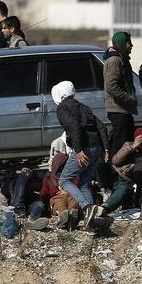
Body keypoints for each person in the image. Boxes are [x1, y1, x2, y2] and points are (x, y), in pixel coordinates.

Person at [52, 80, 110, 231]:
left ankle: (87, 207)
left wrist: (78, 150)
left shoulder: (62, 108)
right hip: (96, 148)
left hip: (85, 149)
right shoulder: (83, 106)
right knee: (84, 182)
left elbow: (74, 126)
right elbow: (102, 126)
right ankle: (91, 220)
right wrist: (105, 149)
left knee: (64, 180)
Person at [103, 31, 138, 157]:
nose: (131, 45)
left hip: (124, 109)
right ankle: (114, 170)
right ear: (122, 43)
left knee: (127, 140)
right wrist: (128, 98)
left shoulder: (122, 59)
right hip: (118, 109)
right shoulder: (114, 61)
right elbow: (111, 86)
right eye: (129, 42)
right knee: (120, 142)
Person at [102, 128, 142, 214]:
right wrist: (133, 146)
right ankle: (104, 208)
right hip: (122, 177)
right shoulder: (128, 146)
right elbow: (115, 161)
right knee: (124, 188)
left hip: (138, 180)